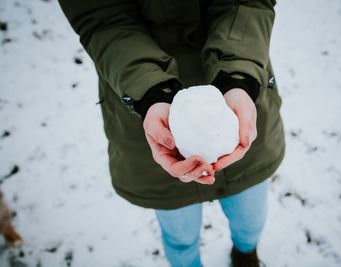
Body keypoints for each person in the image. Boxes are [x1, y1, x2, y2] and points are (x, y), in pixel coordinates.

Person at [58, 0, 285, 266]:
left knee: (250, 219)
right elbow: (102, 19)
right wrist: (151, 94)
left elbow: (247, 3)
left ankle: (245, 253)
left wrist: (238, 80)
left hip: (241, 99)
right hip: (145, 115)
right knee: (180, 235)